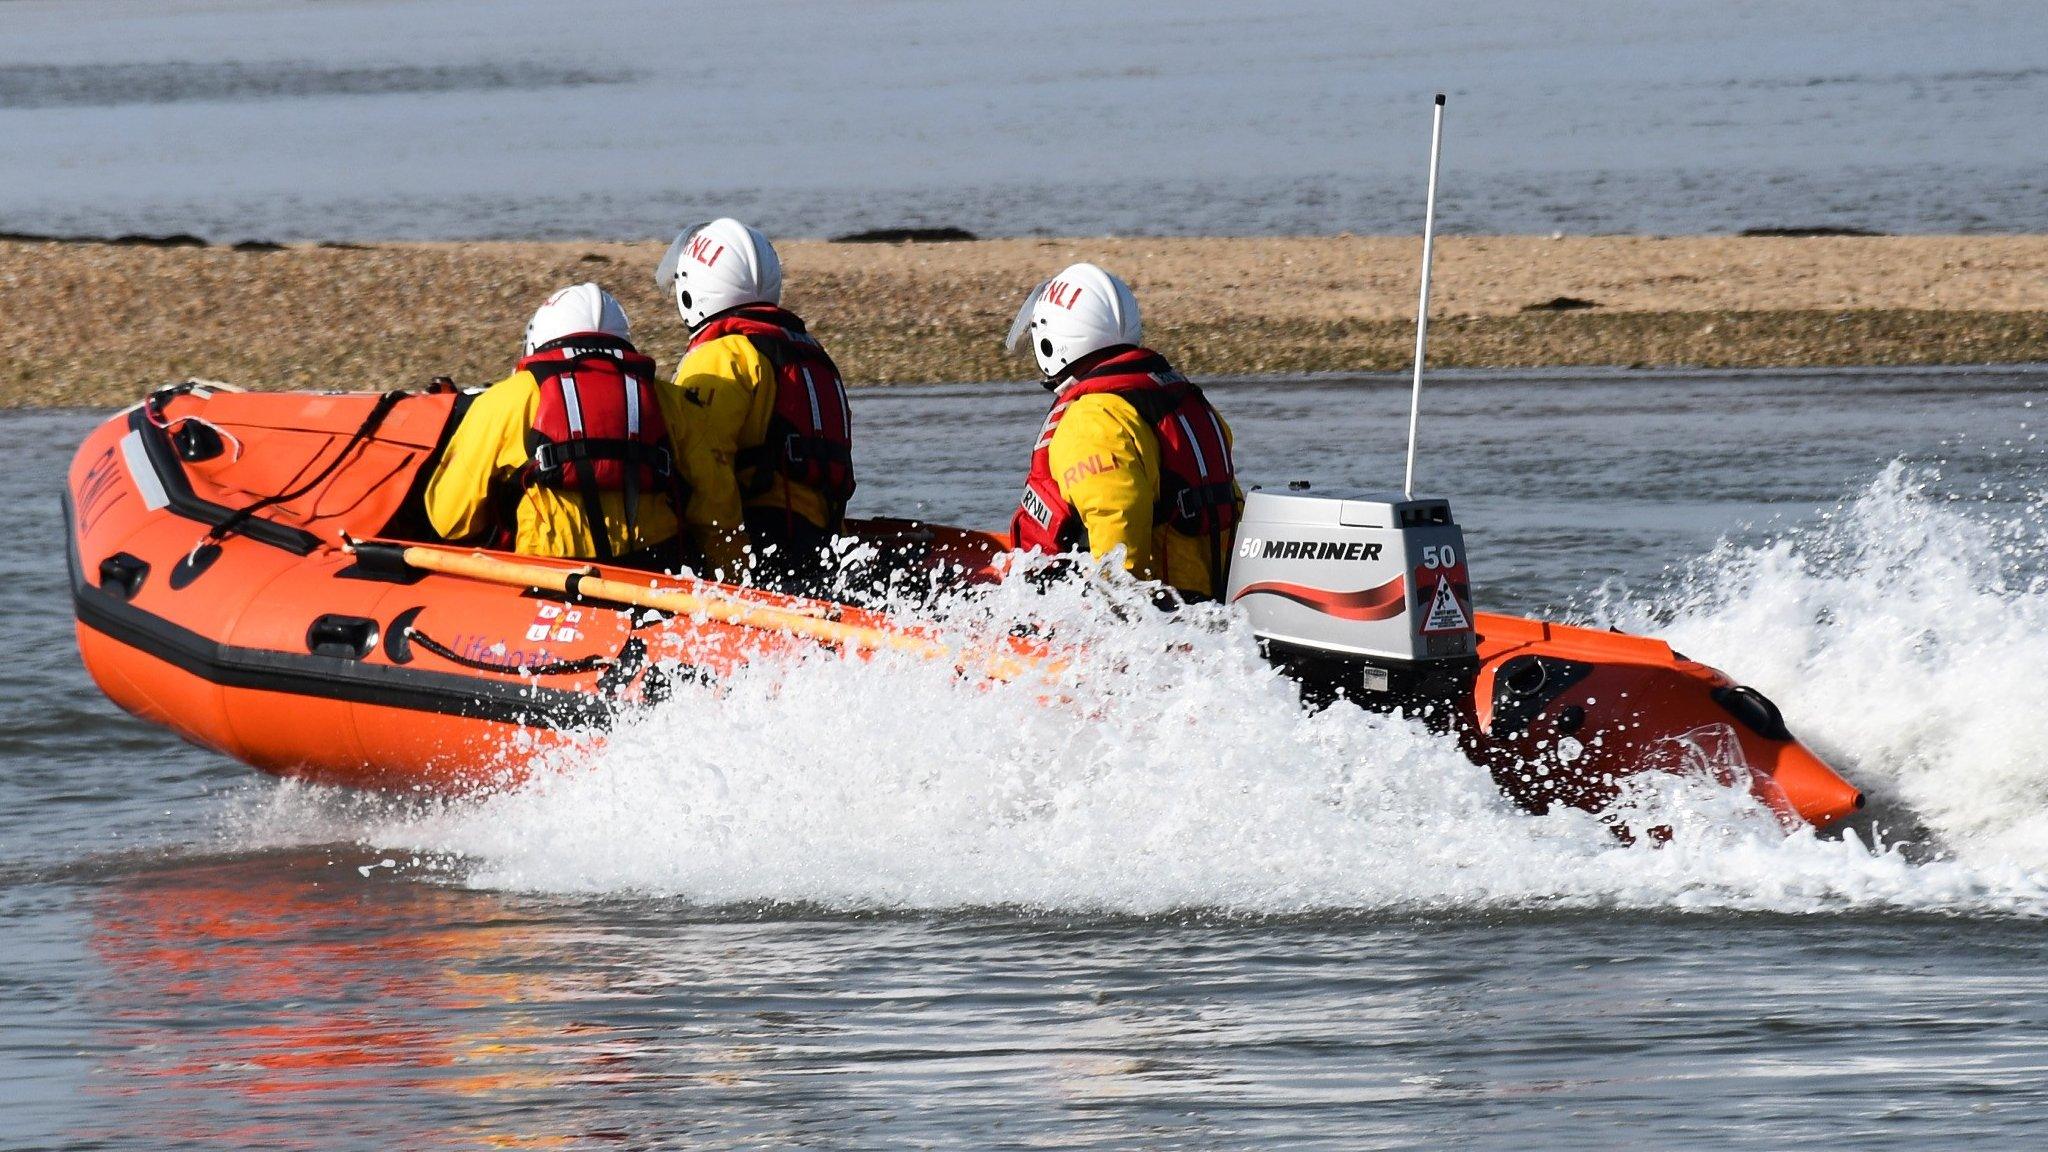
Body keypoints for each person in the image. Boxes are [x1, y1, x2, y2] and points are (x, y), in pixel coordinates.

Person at [1003, 262, 1243, 602]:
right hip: (1203, 598)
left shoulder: (1095, 420)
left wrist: (1115, 616)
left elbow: (1117, 539)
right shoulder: (1178, 398)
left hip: (1154, 619)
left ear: (1051, 342)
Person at [655, 218, 854, 591]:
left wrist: (730, 576)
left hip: (762, 551)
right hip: (819, 546)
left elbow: (704, 476)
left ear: (691, 292)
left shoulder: (721, 356)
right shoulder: (812, 354)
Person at [424, 283, 683, 565]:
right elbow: (707, 499)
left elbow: (451, 520)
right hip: (655, 569)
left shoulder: (503, 400)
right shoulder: (667, 399)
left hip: (548, 574)